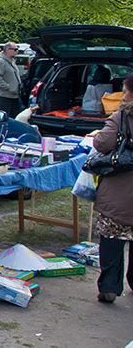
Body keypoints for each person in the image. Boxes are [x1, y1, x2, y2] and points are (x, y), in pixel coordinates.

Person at [91, 73, 133, 303]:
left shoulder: (122, 116)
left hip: (119, 190)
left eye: (126, 91)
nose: (123, 95)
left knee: (111, 240)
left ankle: (109, 287)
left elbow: (103, 142)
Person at [0, 42, 22, 118]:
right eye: (15, 49)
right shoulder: (0, 62)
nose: (16, 51)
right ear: (7, 50)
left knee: (15, 118)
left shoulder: (12, 61)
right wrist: (9, 88)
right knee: (4, 119)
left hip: (14, 96)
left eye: (17, 49)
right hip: (3, 97)